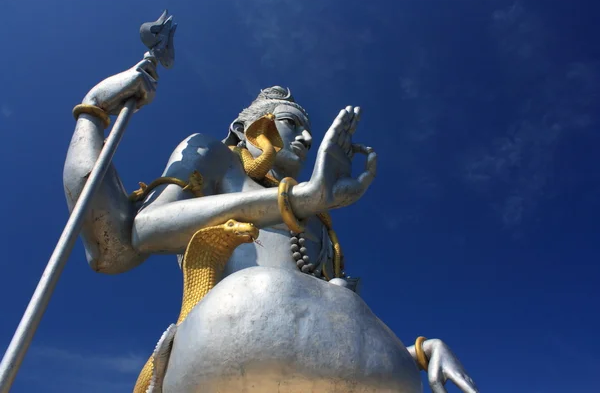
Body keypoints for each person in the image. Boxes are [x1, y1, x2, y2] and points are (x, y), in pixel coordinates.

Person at [64, 57, 479, 393]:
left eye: (309, 134)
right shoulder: (215, 158)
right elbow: (132, 236)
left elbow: (322, 332)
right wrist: (94, 109)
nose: (305, 140)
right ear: (249, 128)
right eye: (292, 124)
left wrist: (418, 353)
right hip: (233, 349)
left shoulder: (318, 221)